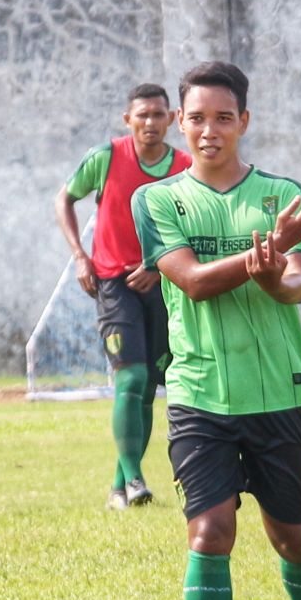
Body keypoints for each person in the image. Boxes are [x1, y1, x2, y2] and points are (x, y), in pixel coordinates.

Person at [131, 61, 301, 600]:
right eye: (195, 118)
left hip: (276, 391)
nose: (209, 130)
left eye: (224, 117)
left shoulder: (280, 194)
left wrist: (279, 254)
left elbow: (295, 286)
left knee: (293, 538)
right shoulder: (158, 201)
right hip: (198, 391)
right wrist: (263, 252)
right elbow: (190, 281)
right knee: (209, 530)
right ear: (176, 123)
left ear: (244, 122)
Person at [56, 84, 191, 510]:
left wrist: (157, 265)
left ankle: (119, 487)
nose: (150, 123)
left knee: (149, 385)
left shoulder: (185, 167)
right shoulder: (106, 158)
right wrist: (80, 255)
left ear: (172, 119)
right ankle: (134, 479)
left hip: (163, 283)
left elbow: (189, 228)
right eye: (142, 115)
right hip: (113, 283)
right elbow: (65, 198)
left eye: (158, 115)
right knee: (130, 379)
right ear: (127, 120)